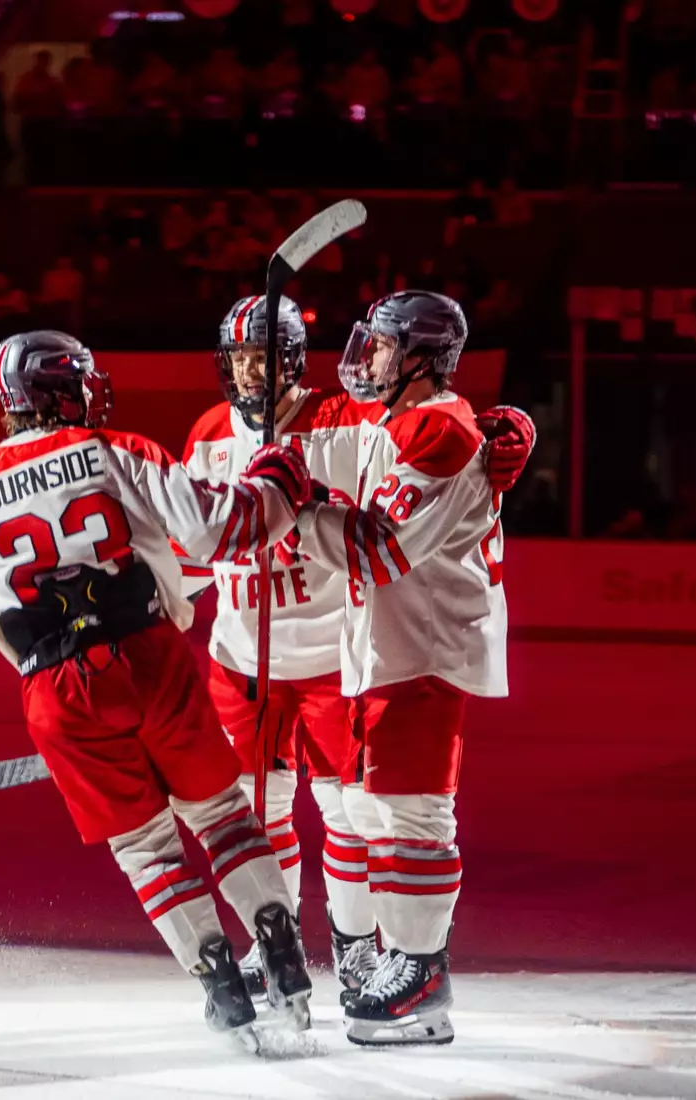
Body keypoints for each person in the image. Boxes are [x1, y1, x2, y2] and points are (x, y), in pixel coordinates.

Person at [0, 330, 315, 1043]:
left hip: (58, 693)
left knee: (147, 847)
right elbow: (218, 529)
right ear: (59, 389)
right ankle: (273, 930)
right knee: (220, 814)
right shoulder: (120, 450)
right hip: (152, 655)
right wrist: (276, 479)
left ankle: (216, 972)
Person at [184, 296, 534, 1009]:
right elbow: (191, 547)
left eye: (264, 356)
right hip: (241, 660)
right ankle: (270, 943)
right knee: (258, 814)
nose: (251, 371)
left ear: (291, 359)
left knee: (354, 812)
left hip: (332, 655)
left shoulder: (348, 417)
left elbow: (438, 451)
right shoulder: (210, 433)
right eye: (240, 358)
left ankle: (358, 949)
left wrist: (513, 428)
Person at [289, 290, 526, 1046]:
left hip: (423, 648)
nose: (372, 359)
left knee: (415, 813)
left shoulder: (438, 430)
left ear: (422, 358)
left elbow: (378, 548)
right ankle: (407, 958)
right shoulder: (403, 422)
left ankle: (422, 974)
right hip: (389, 646)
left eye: (386, 348)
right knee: (380, 810)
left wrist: (295, 511)